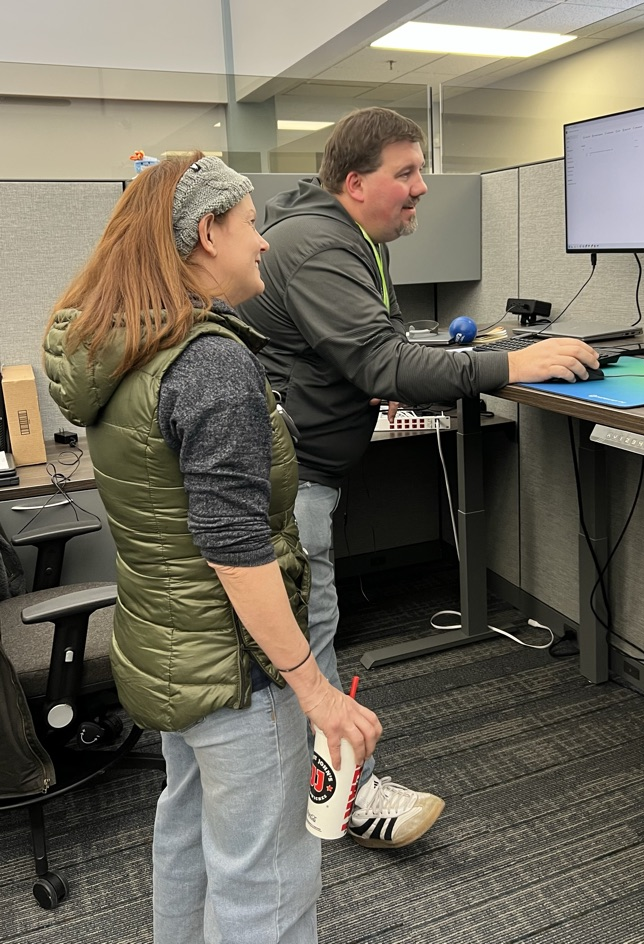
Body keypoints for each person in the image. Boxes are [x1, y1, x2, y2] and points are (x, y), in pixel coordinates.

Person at [237, 107, 599, 849]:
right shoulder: (320, 245)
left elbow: (370, 346)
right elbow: (382, 361)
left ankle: (315, 790)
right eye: (406, 172)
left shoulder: (342, 238)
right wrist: (512, 363)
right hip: (289, 481)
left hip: (300, 471)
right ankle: (346, 798)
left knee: (306, 637)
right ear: (354, 180)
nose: (423, 188)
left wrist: (398, 360)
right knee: (312, 640)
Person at [43, 153, 382, 944]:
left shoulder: (123, 349)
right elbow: (234, 547)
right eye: (252, 223)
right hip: (235, 670)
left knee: (188, 832)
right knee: (265, 877)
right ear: (206, 233)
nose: (264, 243)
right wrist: (315, 690)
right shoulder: (210, 362)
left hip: (168, 651)